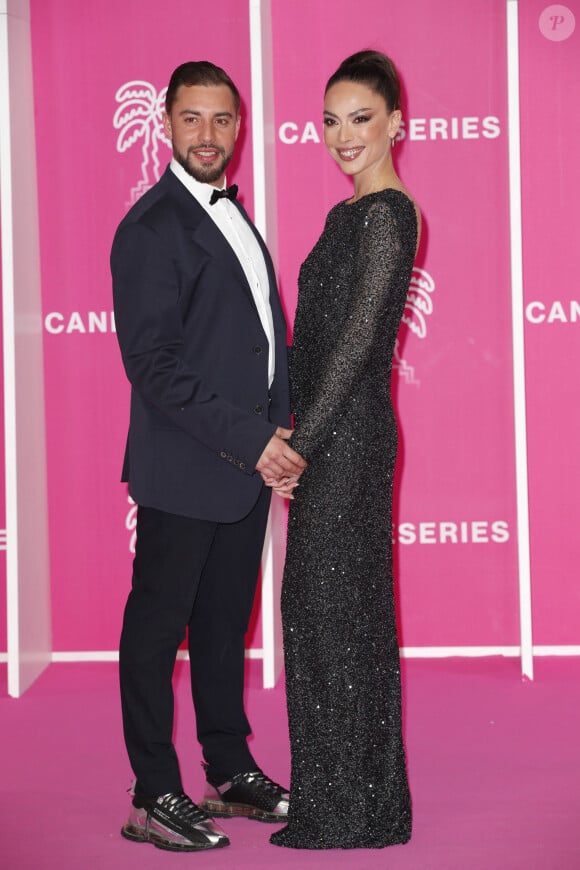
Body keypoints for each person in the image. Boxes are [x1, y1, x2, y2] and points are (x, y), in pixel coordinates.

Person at [110, 60, 306, 853]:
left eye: (222, 120)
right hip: (188, 465)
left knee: (226, 627)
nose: (209, 135)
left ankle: (228, 770)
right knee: (156, 632)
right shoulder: (151, 227)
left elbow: (261, 339)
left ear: (239, 126)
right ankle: (153, 793)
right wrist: (253, 439)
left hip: (247, 468)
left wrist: (283, 436)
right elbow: (153, 364)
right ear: (166, 121)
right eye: (192, 118)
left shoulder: (235, 215)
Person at [269, 50, 421, 849]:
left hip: (352, 438)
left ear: (397, 122)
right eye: (330, 120)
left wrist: (300, 443)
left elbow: (360, 343)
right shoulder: (340, 217)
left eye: (360, 118)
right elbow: (313, 342)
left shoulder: (392, 215)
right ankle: (352, 800)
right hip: (330, 435)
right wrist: (300, 437)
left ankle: (353, 807)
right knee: (324, 616)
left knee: (338, 616)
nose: (342, 135)